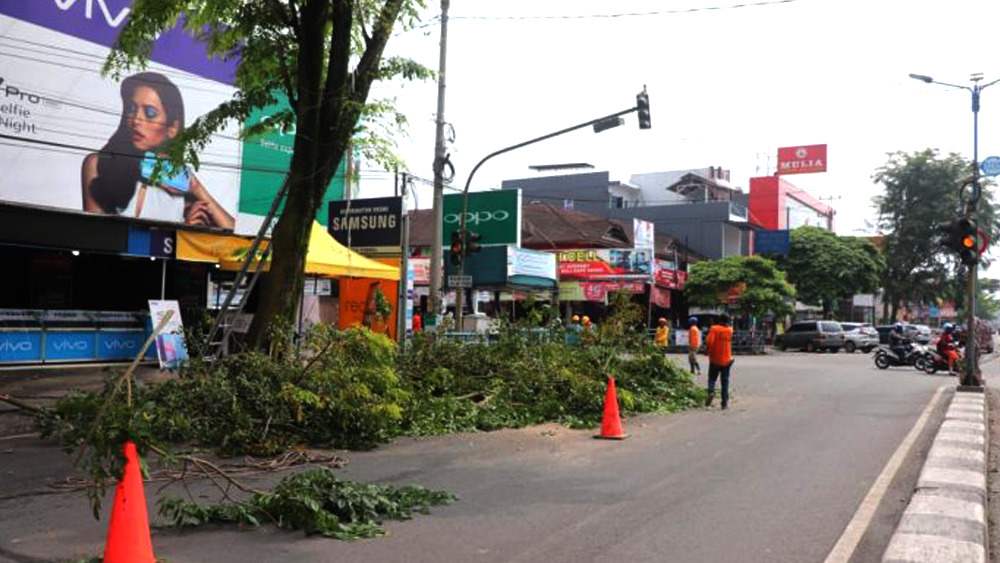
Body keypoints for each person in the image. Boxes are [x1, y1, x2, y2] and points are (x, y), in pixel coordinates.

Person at [81, 71, 234, 230]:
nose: (136, 120)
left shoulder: (179, 182)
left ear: (172, 128)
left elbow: (241, 238)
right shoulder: (99, 163)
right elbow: (95, 234)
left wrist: (196, 188)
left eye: (150, 113)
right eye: (132, 109)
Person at [705, 314, 734, 410]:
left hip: (715, 359)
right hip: (727, 360)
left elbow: (709, 341)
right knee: (725, 382)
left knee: (712, 378)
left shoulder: (714, 328)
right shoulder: (730, 330)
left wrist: (707, 350)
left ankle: (711, 392)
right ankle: (724, 403)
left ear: (719, 320)